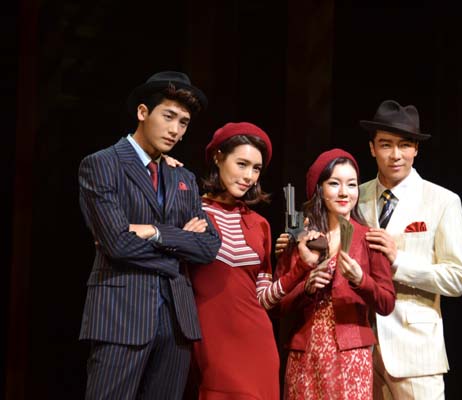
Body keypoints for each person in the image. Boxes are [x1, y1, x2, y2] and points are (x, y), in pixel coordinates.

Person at [77, 70, 222, 399]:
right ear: (143, 112)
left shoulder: (182, 177)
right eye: (168, 117)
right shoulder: (102, 164)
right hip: (120, 315)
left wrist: (156, 232)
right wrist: (178, 246)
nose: (175, 130)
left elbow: (209, 246)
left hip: (176, 321)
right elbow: (117, 243)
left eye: (183, 123)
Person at [184, 122, 318, 399]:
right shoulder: (190, 210)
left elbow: (263, 299)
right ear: (218, 157)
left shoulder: (259, 224)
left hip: (258, 342)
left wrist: (301, 267)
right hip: (211, 340)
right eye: (242, 164)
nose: (249, 176)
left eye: (256, 169)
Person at [358, 100, 462, 399]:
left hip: (416, 352)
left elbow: (458, 278)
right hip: (362, 348)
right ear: (372, 148)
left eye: (405, 145)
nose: (396, 155)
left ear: (416, 149)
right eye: (386, 144)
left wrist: (397, 262)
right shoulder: (356, 197)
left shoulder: (442, 201)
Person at [275, 148, 395, 399]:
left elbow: (386, 303)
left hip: (351, 354)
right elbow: (278, 304)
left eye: (351, 184)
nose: (344, 192)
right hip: (305, 354)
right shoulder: (299, 239)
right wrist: (306, 288)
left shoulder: (370, 239)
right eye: (334, 183)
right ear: (319, 189)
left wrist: (361, 280)